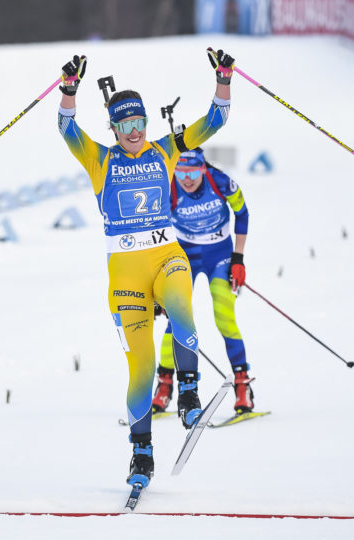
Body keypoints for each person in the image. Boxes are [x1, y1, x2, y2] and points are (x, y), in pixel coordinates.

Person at [57, 48, 235, 489]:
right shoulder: (100, 159)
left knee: (181, 311)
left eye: (139, 123)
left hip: (166, 256)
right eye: (125, 125)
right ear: (114, 128)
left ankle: (188, 395)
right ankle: (141, 454)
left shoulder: (166, 149)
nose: (134, 131)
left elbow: (214, 121)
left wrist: (223, 78)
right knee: (140, 367)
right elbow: (65, 126)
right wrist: (68, 90)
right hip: (125, 274)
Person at [151, 147, 255, 416]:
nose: (187, 179)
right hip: (183, 256)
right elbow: (153, 229)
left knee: (224, 317)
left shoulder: (221, 181)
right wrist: (156, 281)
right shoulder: (169, 188)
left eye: (193, 172)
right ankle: (164, 386)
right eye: (182, 172)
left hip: (218, 256)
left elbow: (242, 214)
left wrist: (238, 259)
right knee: (177, 320)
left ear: (204, 168)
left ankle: (243, 386)